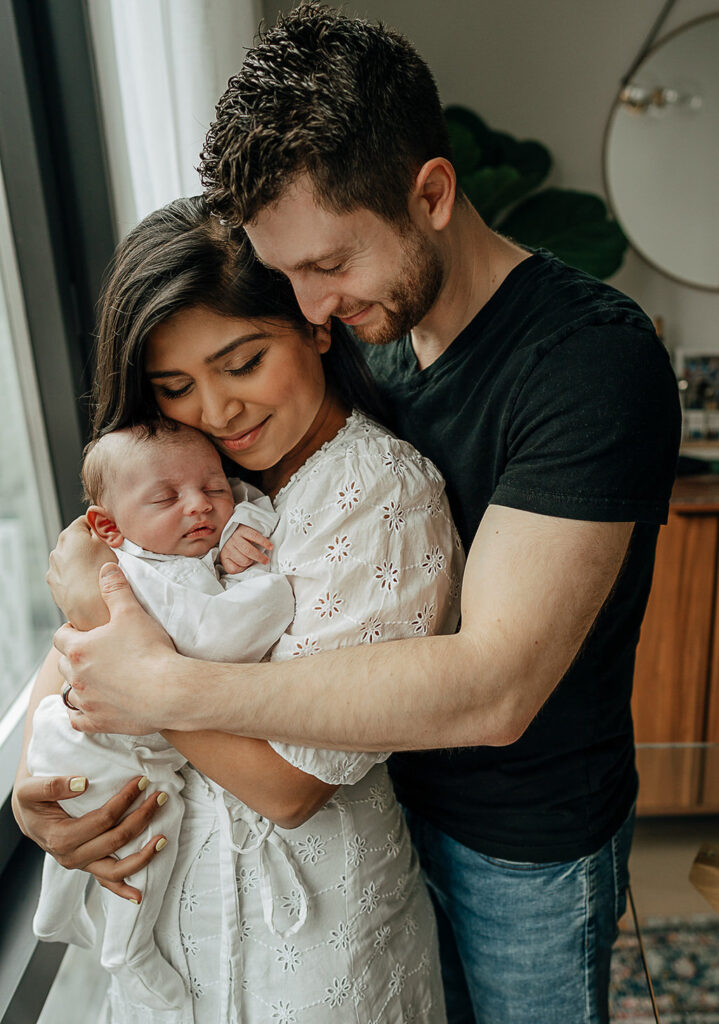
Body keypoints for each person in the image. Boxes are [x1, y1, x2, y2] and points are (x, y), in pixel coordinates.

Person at [15, 5, 681, 1022]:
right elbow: (148, 538)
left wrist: (161, 683)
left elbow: (490, 685)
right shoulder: (364, 335)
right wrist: (57, 730)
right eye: (286, 279)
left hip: (520, 842)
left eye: (328, 266)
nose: (310, 309)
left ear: (430, 193)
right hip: (379, 821)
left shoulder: (588, 362)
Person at [15, 195, 463, 1023]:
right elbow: (78, 646)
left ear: (313, 327)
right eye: (176, 386)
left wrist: (129, 666)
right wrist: (39, 799)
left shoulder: (377, 492)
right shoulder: (188, 482)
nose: (217, 411)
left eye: (244, 362)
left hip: (315, 939)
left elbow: (290, 786)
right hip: (177, 926)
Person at [28, 421, 295, 1010]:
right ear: (107, 526)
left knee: (104, 835)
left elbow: (242, 506)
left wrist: (232, 534)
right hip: (98, 743)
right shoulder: (142, 576)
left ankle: (55, 914)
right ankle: (128, 950)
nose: (200, 506)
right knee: (144, 837)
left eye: (215, 488)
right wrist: (256, 580)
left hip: (85, 732)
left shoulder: (164, 555)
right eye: (167, 498)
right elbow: (223, 640)